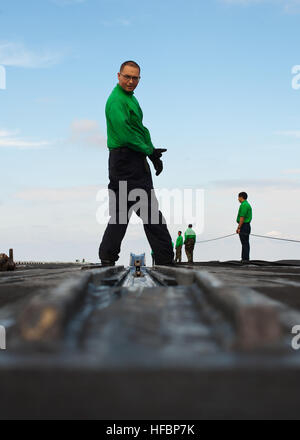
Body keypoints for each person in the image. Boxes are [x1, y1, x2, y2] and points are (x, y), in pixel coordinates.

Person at [99, 61, 174, 266]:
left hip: (131, 158)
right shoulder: (116, 101)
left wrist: (151, 153)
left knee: (123, 211)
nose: (131, 81)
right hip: (125, 159)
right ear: (118, 76)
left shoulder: (130, 99)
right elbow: (125, 135)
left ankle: (107, 256)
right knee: (148, 209)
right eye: (127, 77)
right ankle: (166, 258)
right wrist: (148, 151)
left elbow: (140, 129)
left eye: (135, 78)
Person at [236, 192, 252, 262]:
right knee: (245, 242)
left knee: (245, 243)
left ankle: (245, 259)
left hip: (244, 226)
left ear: (241, 197)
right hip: (245, 225)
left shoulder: (244, 205)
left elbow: (242, 217)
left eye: (238, 197)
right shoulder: (246, 204)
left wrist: (239, 227)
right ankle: (244, 258)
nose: (238, 199)